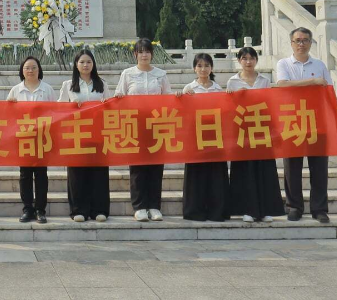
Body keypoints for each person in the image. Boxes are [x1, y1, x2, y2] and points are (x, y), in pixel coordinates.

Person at [115, 38, 177, 222]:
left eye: (147, 51)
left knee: (156, 167)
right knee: (137, 167)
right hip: (135, 125)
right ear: (135, 54)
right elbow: (120, 95)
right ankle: (140, 206)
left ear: (152, 54)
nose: (144, 55)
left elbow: (168, 97)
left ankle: (154, 206)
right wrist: (119, 97)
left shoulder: (161, 74)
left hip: (157, 125)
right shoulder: (127, 74)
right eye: (140, 51)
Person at [276, 27, 333, 223]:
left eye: (305, 40)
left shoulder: (319, 65)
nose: (301, 44)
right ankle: (294, 207)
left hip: (317, 120)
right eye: (297, 40)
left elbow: (328, 91)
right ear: (291, 43)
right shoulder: (283, 63)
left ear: (311, 43)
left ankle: (319, 209)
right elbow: (282, 85)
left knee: (319, 167)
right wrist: (312, 81)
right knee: (292, 166)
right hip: (291, 120)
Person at [226, 47, 283, 223]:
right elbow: (228, 107)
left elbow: (269, 104)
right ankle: (247, 209)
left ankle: (265, 209)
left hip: (261, 129)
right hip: (242, 131)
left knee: (264, 169)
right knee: (244, 170)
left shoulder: (265, 80)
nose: (248, 62)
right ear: (239, 61)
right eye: (244, 58)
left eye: (251, 58)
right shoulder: (232, 82)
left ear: (256, 60)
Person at [58, 48, 111, 223]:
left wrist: (106, 104)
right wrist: (71, 106)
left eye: (88, 62)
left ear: (93, 64)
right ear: (76, 65)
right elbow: (59, 108)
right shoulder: (68, 85)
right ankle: (78, 209)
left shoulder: (102, 83)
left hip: (98, 133)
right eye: (82, 62)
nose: (85, 65)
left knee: (99, 172)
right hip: (76, 134)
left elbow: (111, 105)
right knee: (76, 173)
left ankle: (99, 210)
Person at [7, 56, 56, 224]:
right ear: (22, 70)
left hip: (42, 137)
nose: (30, 70)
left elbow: (55, 112)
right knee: (25, 174)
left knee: (41, 174)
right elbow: (7, 115)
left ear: (39, 69)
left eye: (33, 67)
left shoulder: (47, 89)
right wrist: (9, 105)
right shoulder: (15, 90)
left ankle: (41, 210)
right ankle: (27, 208)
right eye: (27, 67)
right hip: (23, 138)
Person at [181, 53, 228, 222]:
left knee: (215, 174)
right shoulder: (189, 89)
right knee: (197, 175)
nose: (203, 69)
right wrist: (184, 99)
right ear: (194, 68)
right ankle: (195, 210)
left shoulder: (218, 89)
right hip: (196, 136)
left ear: (212, 68)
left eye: (206, 65)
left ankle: (217, 211)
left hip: (215, 136)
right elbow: (183, 113)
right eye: (199, 66)